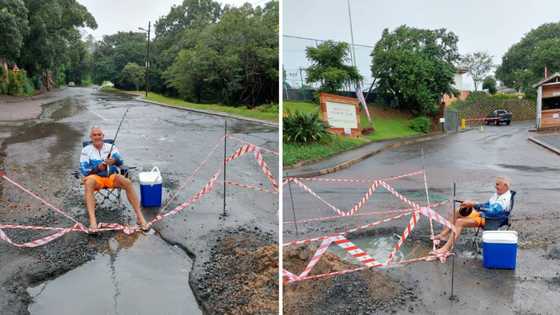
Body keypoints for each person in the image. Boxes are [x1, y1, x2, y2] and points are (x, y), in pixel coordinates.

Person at [80, 127, 149, 232]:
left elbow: (121, 163)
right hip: (96, 178)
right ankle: (93, 221)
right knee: (88, 182)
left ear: (103, 136)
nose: (97, 136)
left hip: (111, 177)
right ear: (91, 137)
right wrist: (98, 168)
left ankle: (140, 217)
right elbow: (85, 171)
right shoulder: (86, 150)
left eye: (99, 134)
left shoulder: (111, 147)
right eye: (94, 135)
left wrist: (114, 161)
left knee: (127, 182)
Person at [432, 176, 512, 255]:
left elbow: (492, 211)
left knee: (460, 222)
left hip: (490, 220)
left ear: (505, 186)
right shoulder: (499, 194)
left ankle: (445, 248)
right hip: (483, 215)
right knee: (458, 211)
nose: (495, 186)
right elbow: (487, 204)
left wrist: (474, 204)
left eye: (498, 184)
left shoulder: (505, 198)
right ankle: (443, 235)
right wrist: (471, 204)